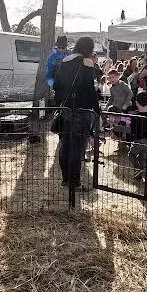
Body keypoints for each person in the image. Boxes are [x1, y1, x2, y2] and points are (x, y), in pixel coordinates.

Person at [53, 37, 100, 191]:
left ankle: (66, 179)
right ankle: (75, 183)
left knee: (65, 145)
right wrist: (97, 110)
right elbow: (90, 91)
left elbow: (57, 87)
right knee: (77, 148)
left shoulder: (64, 61)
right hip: (82, 111)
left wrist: (58, 105)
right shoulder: (87, 62)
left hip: (66, 110)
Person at [128, 91, 147, 179]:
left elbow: (132, 130)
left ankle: (138, 169)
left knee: (131, 154)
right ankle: (141, 174)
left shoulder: (135, 116)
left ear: (136, 103)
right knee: (142, 157)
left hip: (139, 140)